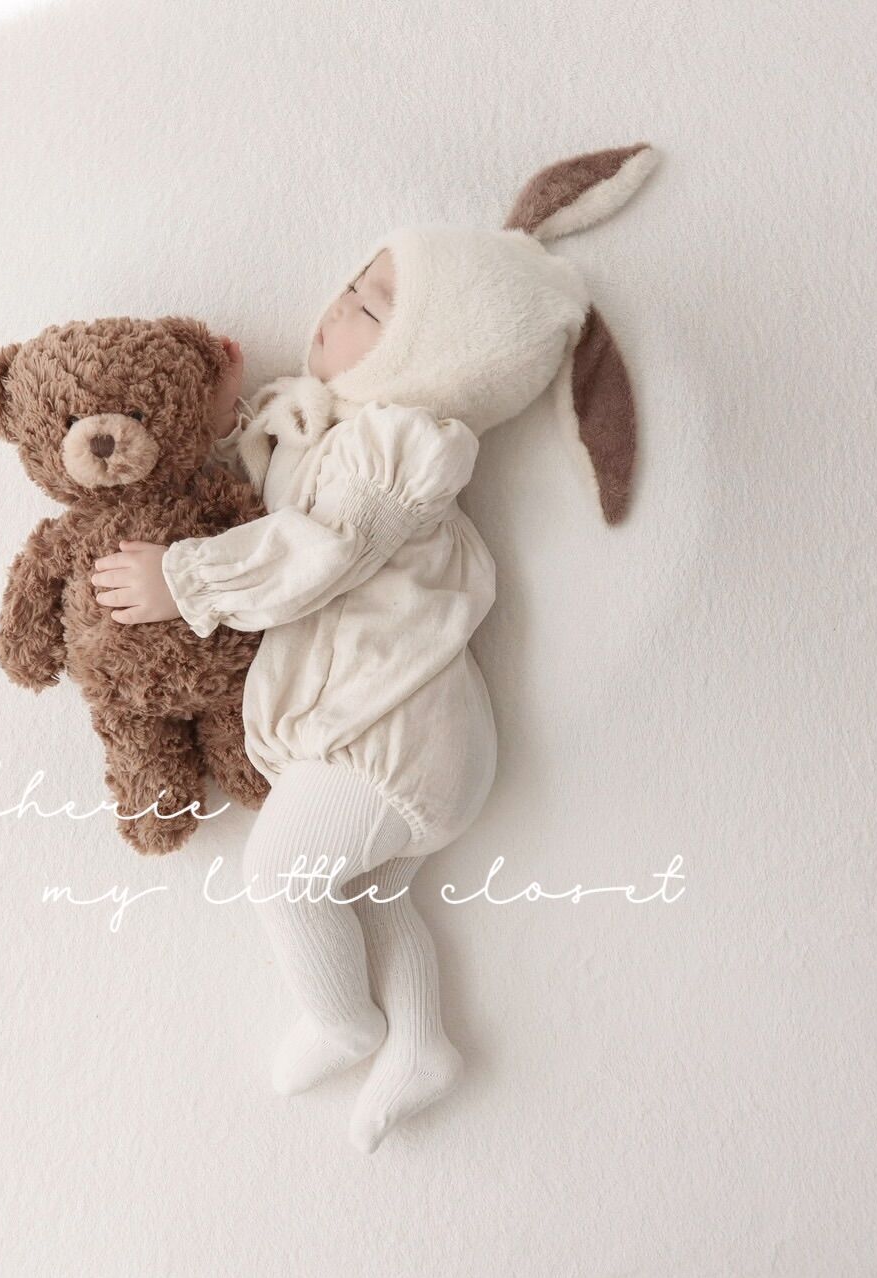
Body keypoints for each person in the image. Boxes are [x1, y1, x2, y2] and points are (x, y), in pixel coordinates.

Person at [90, 149, 654, 1149]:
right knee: (370, 890)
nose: (337, 308)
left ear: (438, 358)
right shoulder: (336, 430)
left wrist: (185, 579)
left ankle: (343, 1020)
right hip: (378, 727)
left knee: (279, 875)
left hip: (395, 736)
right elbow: (274, 491)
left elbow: (318, 549)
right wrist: (223, 413)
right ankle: (422, 1043)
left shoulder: (399, 448)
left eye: (372, 309)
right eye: (352, 283)